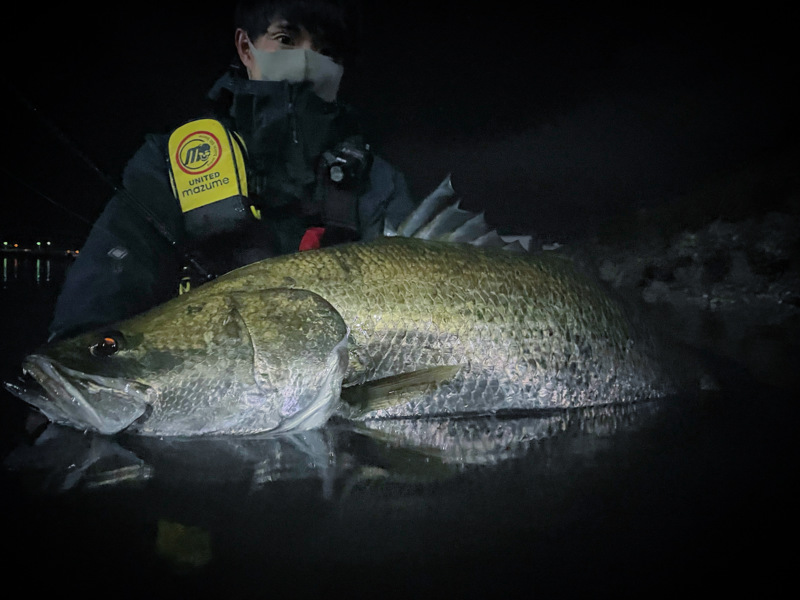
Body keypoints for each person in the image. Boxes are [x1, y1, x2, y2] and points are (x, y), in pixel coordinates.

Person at [48, 0, 416, 341]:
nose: (307, 62)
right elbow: (100, 301)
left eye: (327, 52)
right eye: (286, 39)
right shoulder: (170, 163)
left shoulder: (378, 182)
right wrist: (81, 360)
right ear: (245, 48)